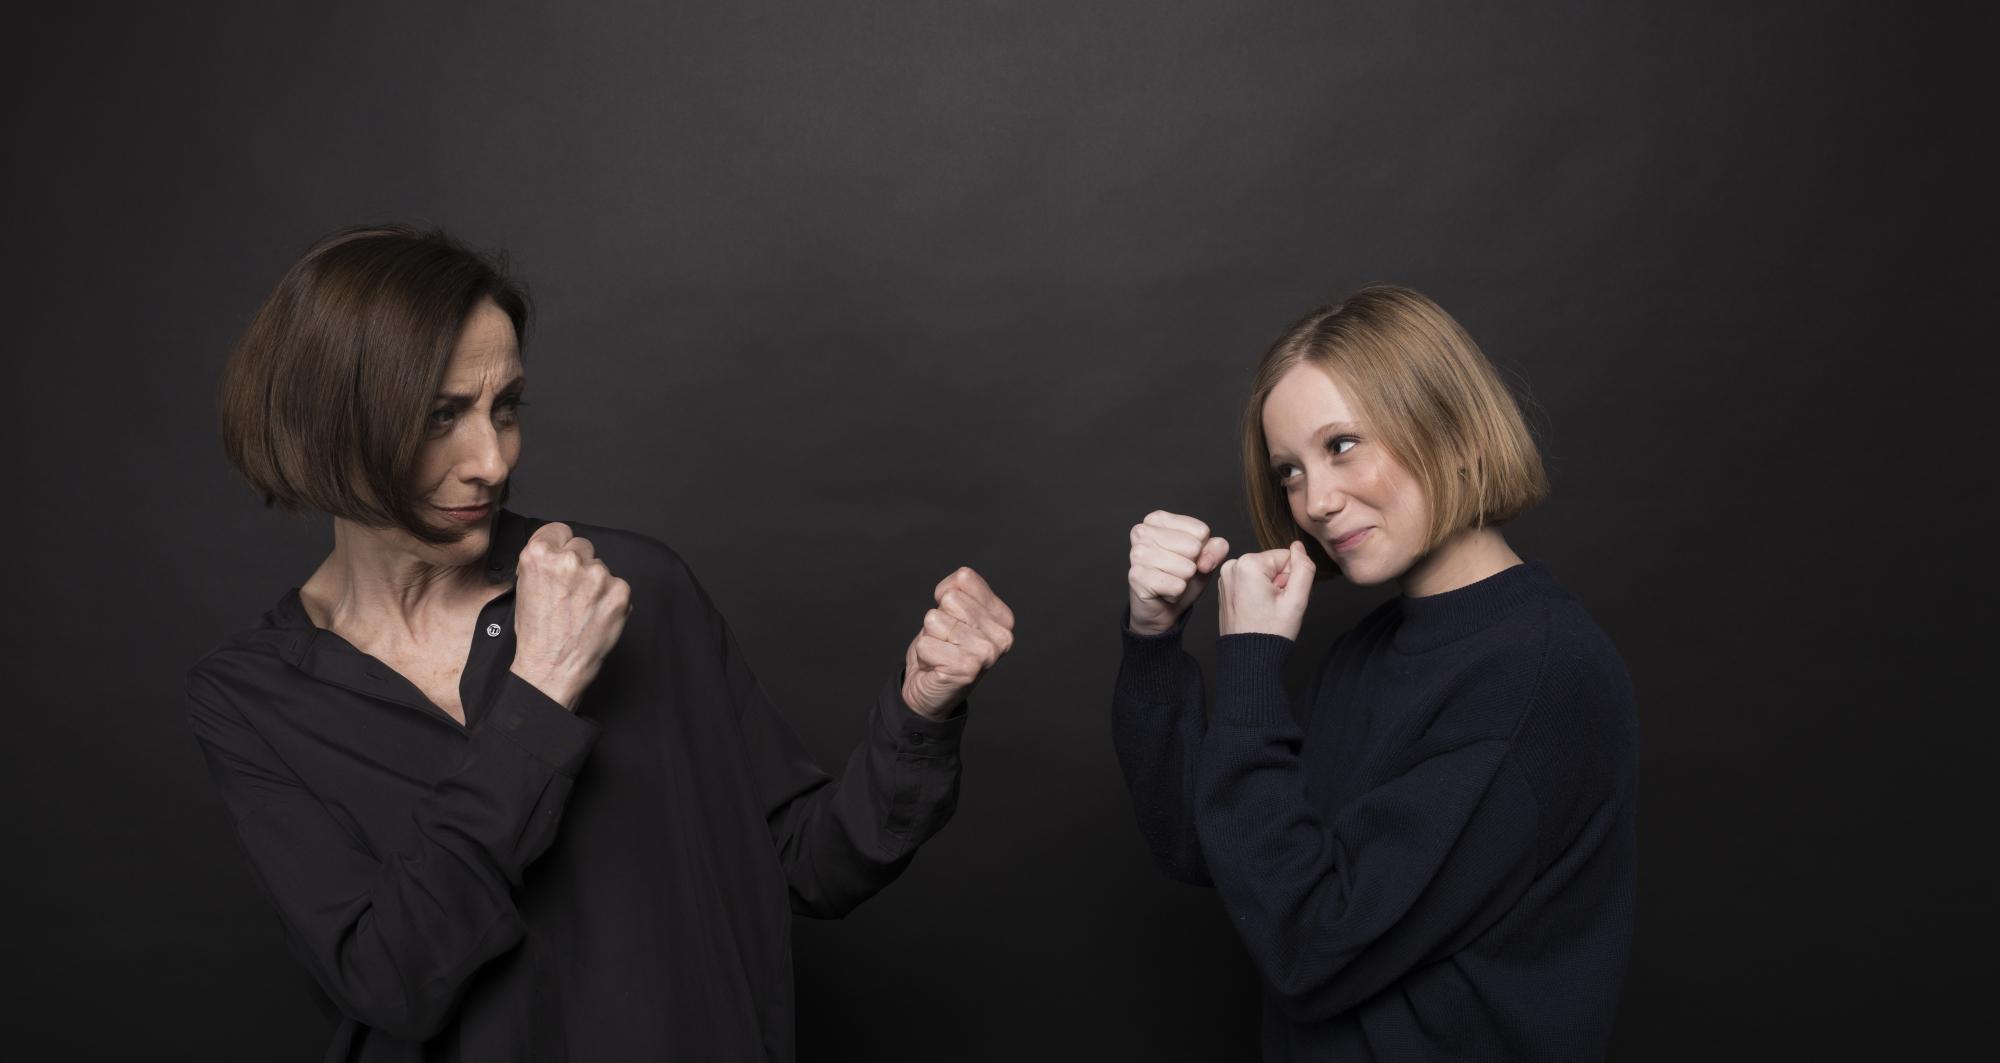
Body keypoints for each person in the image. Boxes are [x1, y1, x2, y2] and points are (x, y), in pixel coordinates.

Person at [187, 225, 1015, 1061]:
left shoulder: (634, 587)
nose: (491, 460)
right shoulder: (251, 697)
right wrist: (540, 693)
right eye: (441, 415)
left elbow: (804, 863)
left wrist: (918, 713)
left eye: (505, 406)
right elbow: (393, 982)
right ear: (326, 424)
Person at [1113, 286, 1637, 1060]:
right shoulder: (1372, 650)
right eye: (1290, 471)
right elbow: (1211, 842)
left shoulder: (1540, 674)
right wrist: (1153, 640)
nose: (1316, 501)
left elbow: (1311, 946)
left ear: (1452, 430)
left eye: (1342, 444)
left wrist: (1252, 658)